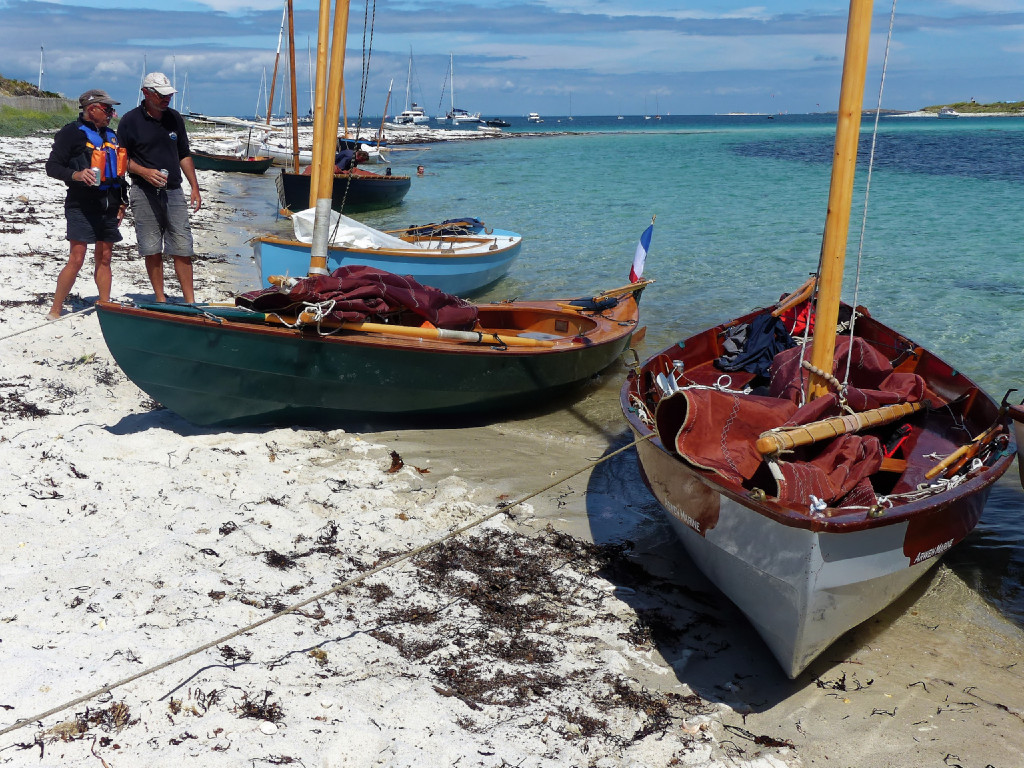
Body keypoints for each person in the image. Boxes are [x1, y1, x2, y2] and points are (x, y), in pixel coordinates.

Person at [116, 72, 201, 303]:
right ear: (146, 93)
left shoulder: (174, 118)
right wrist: (145, 172)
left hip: (174, 191)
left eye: (169, 95)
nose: (166, 99)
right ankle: (161, 299)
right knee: (152, 248)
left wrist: (195, 187)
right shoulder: (129, 121)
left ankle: (190, 301)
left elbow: (184, 154)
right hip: (143, 192)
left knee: (183, 246)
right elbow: (121, 160)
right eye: (161, 95)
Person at [44, 89, 128, 320]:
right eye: (107, 109)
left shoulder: (111, 135)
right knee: (77, 258)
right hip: (80, 204)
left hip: (109, 204)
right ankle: (55, 309)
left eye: (111, 109)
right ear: (92, 109)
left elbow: (120, 176)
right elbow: (52, 167)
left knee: (105, 257)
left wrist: (122, 202)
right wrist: (77, 175)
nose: (112, 113)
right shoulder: (71, 134)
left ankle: (105, 305)